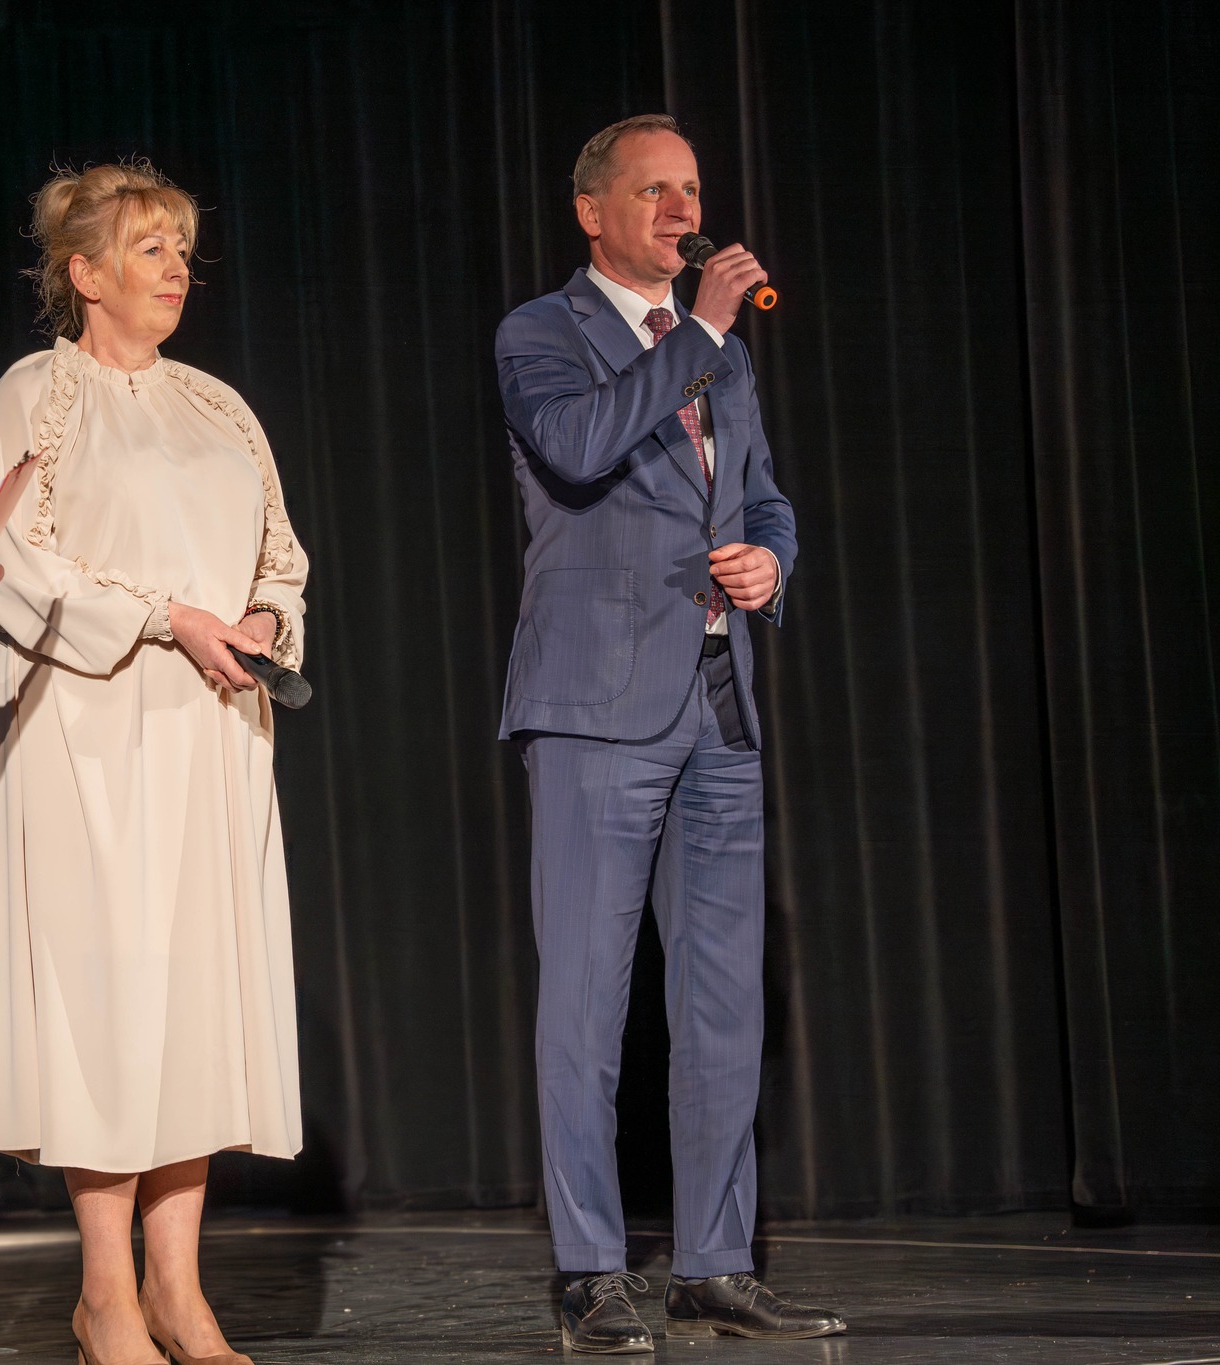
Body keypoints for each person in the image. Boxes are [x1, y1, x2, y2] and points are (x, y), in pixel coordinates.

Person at [494, 114, 846, 1353]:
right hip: (594, 707)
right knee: (586, 1006)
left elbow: (761, 498)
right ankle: (590, 1269)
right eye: (652, 190)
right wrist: (695, 329)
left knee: (720, 1002)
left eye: (689, 188)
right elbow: (578, 449)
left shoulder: (722, 358)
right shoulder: (541, 333)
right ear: (591, 212)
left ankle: (714, 1263)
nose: (680, 209)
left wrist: (769, 565)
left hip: (716, 703)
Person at [0, 162, 309, 1365]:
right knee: (106, 1001)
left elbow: (280, 555)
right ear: (85, 273)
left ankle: (178, 1291)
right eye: (148, 248)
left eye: (180, 249)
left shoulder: (217, 405)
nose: (175, 270)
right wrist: (167, 617)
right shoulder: (36, 393)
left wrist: (260, 619)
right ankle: (105, 1294)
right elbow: (15, 564)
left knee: (193, 997)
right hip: (89, 727)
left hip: (211, 728)